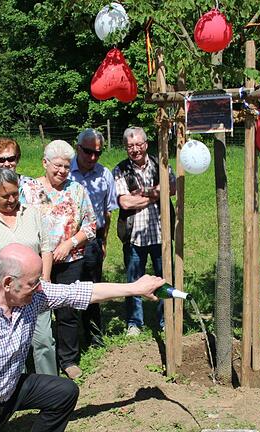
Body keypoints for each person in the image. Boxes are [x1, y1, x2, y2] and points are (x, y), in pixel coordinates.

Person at [0, 243, 165, 432]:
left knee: (64, 392)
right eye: (33, 282)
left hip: (9, 389)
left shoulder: (31, 295)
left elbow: (77, 292)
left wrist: (134, 288)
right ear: (8, 283)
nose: (40, 287)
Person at [0, 168, 57, 375]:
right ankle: (14, 388)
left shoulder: (31, 214)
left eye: (15, 193)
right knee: (9, 346)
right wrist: (1, 291)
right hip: (3, 298)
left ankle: (52, 387)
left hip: (35, 291)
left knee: (44, 340)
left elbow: (46, 248)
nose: (11, 199)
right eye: (5, 195)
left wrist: (45, 278)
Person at [21, 140, 96, 380]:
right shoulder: (30, 190)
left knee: (67, 310)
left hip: (70, 259)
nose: (62, 171)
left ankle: (68, 359)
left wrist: (70, 243)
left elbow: (91, 226)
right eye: (57, 166)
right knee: (35, 309)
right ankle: (36, 360)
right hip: (36, 261)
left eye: (66, 166)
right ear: (45, 163)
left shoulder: (77, 190)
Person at [113, 126, 175, 336]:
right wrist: (158, 192)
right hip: (134, 236)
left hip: (161, 234)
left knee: (164, 278)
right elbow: (125, 203)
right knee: (133, 281)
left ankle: (166, 319)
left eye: (139, 144)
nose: (135, 149)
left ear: (146, 144)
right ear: (125, 148)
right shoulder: (120, 169)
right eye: (130, 146)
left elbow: (173, 188)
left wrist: (146, 192)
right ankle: (134, 322)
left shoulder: (161, 163)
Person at [69, 129, 118, 348]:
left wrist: (104, 241)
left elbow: (107, 212)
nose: (92, 157)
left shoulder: (104, 174)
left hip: (93, 241)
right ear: (78, 148)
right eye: (88, 152)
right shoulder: (65, 172)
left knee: (92, 289)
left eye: (97, 153)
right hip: (67, 242)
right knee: (69, 292)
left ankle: (94, 337)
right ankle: (71, 341)